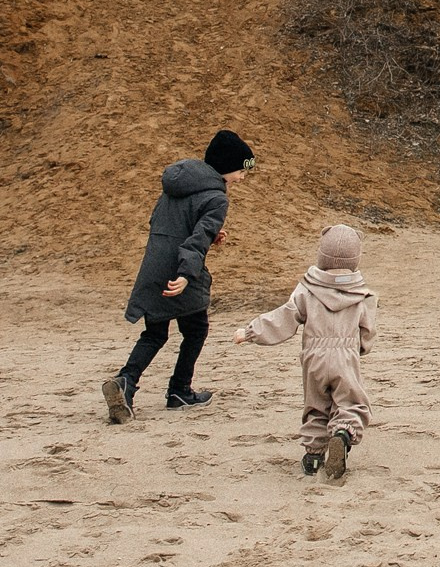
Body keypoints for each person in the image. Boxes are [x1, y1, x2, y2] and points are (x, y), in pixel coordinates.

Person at [102, 130, 252, 421]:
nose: (242, 177)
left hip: (154, 267)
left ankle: (125, 383)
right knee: (196, 330)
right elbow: (196, 238)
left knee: (155, 333)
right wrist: (185, 274)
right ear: (225, 166)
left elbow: (171, 225)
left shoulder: (176, 185)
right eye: (240, 171)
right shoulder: (217, 198)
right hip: (182, 271)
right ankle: (179, 391)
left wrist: (210, 236)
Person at [234, 223, 378, 478]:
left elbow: (286, 317)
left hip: (314, 357)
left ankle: (313, 455)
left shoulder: (307, 289)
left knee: (316, 405)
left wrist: (251, 332)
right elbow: (367, 329)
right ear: (355, 258)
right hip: (346, 356)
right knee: (351, 402)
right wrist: (361, 347)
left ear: (322, 254)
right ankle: (343, 433)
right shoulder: (363, 295)